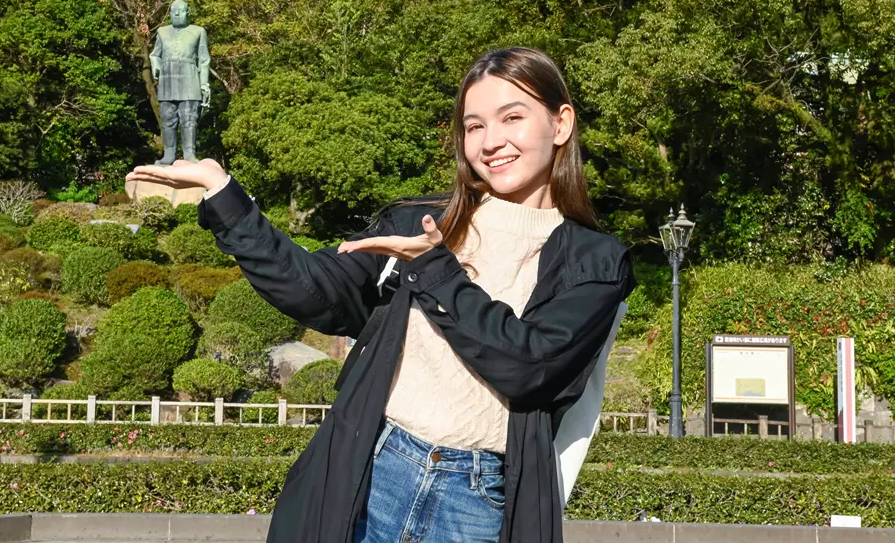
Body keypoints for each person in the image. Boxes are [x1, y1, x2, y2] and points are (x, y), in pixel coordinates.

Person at [126, 47, 635, 543]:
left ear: (561, 123)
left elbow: (530, 367)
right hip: (373, 471)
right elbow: (315, 290)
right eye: (474, 125)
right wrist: (225, 196)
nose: (490, 141)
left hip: (478, 500)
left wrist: (436, 268)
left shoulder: (594, 262)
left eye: (512, 117)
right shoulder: (418, 223)